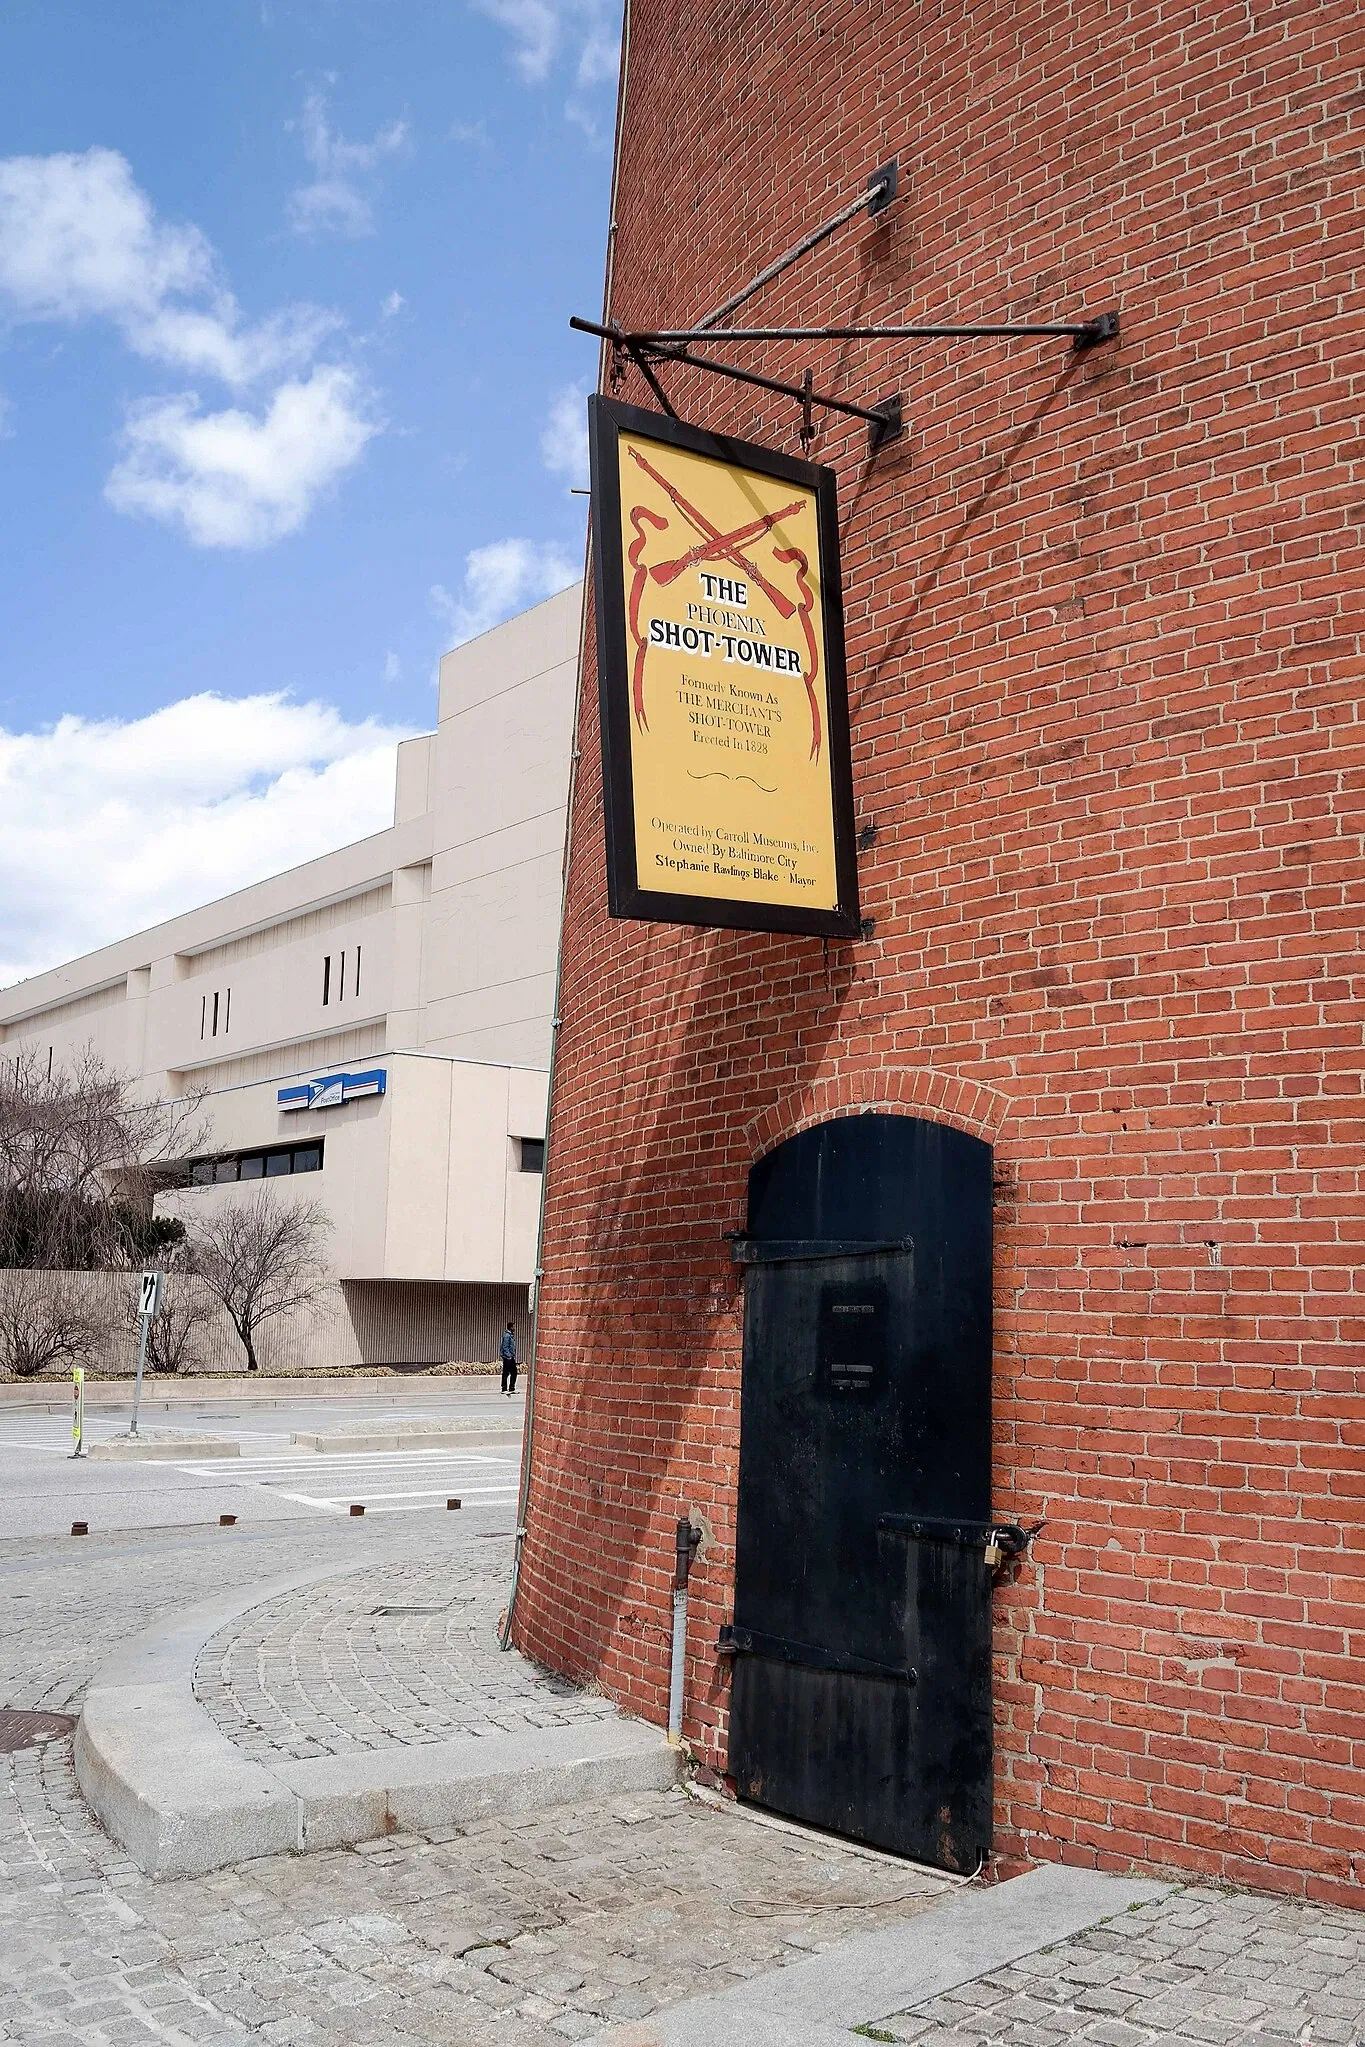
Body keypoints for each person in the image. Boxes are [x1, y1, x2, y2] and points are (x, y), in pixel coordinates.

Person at [499, 1321, 519, 1396]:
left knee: (511, 1372)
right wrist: (509, 1356)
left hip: (510, 1356)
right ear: (510, 1327)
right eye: (513, 1327)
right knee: (508, 1372)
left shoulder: (510, 1335)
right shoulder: (507, 1336)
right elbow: (505, 1347)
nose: (514, 1328)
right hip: (508, 1357)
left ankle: (511, 1388)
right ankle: (505, 1388)